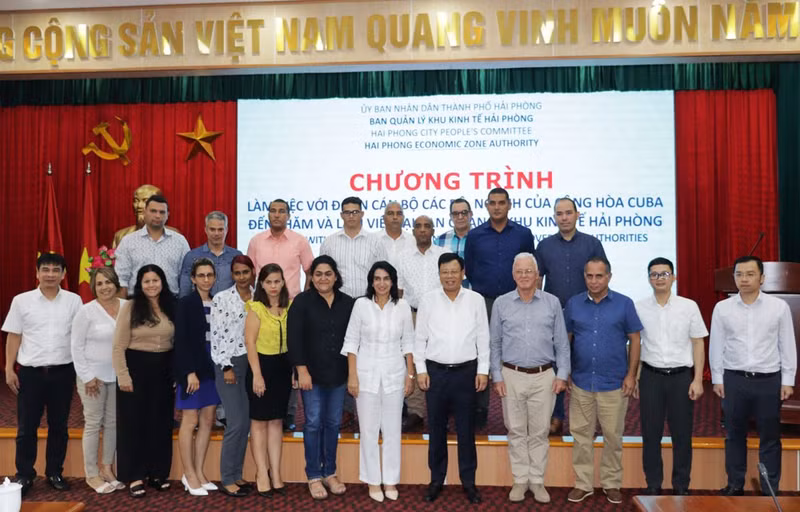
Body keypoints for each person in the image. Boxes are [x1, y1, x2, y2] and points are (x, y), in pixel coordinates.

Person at [710, 255, 797, 496]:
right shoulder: (723, 308)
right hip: (734, 379)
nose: (744, 279)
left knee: (770, 437)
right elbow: (717, 344)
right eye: (739, 274)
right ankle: (735, 484)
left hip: (769, 380)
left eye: (750, 274)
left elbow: (787, 345)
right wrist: (717, 378)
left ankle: (769, 487)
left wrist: (788, 380)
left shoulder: (778, 307)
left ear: (762, 278)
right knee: (734, 435)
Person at [490, 253, 570, 504]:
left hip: (544, 376)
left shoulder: (552, 303)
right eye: (520, 271)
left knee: (539, 432)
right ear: (513, 275)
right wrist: (497, 376)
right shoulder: (501, 304)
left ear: (538, 275)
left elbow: (561, 343)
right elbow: (495, 344)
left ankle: (537, 481)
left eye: (529, 271)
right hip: (511, 375)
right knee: (515, 431)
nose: (524, 276)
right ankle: (519, 480)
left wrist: (562, 374)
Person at [3, 253, 82, 496]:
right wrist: (8, 368)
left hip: (63, 372)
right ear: (36, 273)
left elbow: (79, 338)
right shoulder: (21, 301)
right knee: (27, 426)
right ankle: (24, 474)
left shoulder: (74, 301)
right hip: (31, 373)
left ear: (63, 274)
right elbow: (14, 335)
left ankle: (54, 472)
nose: (50, 274)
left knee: (59, 425)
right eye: (45, 269)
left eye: (55, 270)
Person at [565, 256, 642, 505]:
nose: (594, 280)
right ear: (584, 277)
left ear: (609, 276)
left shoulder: (624, 303)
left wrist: (631, 375)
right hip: (581, 382)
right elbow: (565, 340)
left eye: (600, 276)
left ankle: (611, 483)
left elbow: (635, 339)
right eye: (590, 276)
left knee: (613, 436)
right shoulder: (574, 304)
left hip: (614, 383)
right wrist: (564, 371)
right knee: (581, 436)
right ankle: (583, 483)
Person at [415, 253, 490, 505]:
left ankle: (469, 482)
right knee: (436, 429)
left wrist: (483, 370)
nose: (449, 276)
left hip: (466, 374)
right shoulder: (428, 301)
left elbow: (483, 338)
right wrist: (421, 370)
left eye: (453, 271)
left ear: (462, 273)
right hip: (435, 374)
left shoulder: (476, 300)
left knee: (466, 431)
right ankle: (436, 480)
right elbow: (420, 338)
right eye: (444, 272)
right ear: (439, 274)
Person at [342, 261, 415, 502]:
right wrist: (352, 376)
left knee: (393, 430)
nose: (381, 283)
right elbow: (352, 342)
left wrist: (410, 375)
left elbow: (408, 344)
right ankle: (373, 481)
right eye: (377, 278)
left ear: (393, 281)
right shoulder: (361, 305)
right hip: (365, 375)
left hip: (395, 373)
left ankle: (391, 480)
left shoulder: (402, 306)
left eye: (386, 278)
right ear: (371, 282)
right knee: (369, 430)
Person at [635, 257, 707, 495]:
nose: (659, 279)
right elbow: (635, 344)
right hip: (651, 377)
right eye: (654, 274)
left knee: (682, 434)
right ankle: (653, 484)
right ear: (648, 279)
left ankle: (680, 486)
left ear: (673, 277)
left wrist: (697, 379)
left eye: (664, 274)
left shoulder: (689, 306)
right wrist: (635, 377)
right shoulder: (639, 307)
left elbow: (698, 342)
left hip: (680, 378)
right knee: (651, 433)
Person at [464, 187, 535, 428]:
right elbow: (471, 269)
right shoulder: (474, 236)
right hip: (483, 301)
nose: (497, 207)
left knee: (515, 350)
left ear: (509, 205)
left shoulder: (523, 234)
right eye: (492, 203)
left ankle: (519, 406)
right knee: (482, 351)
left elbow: (530, 268)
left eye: (501, 202)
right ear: (486, 205)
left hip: (515, 300)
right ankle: (480, 407)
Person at [536, 197, 606, 435]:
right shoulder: (544, 246)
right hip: (553, 316)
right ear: (554, 217)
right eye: (559, 213)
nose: (564, 217)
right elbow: (537, 281)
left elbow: (601, 278)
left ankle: (586, 418)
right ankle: (556, 416)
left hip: (587, 315)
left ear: (577, 215)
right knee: (555, 367)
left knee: (585, 365)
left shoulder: (592, 244)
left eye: (568, 213)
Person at [288, 255, 355, 500]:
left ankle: (330, 472)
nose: (323, 278)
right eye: (318, 274)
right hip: (311, 376)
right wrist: (301, 370)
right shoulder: (302, 302)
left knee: (333, 423)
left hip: (338, 374)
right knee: (314, 422)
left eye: (328, 274)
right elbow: (294, 339)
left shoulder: (348, 303)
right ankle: (314, 475)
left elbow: (354, 341)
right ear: (312, 277)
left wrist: (352, 373)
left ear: (336, 276)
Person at [112, 264, 176, 498]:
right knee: (133, 425)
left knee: (160, 423)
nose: (151, 285)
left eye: (155, 280)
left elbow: (177, 343)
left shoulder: (171, 305)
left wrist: (176, 373)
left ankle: (157, 473)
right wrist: (123, 375)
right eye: (146, 281)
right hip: (135, 370)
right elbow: (118, 346)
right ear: (140, 284)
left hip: (163, 371)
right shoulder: (130, 306)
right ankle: (135, 475)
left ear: (162, 282)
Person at [71, 266, 127, 494]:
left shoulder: (127, 307)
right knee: (94, 424)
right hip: (92, 378)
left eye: (108, 282)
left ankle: (107, 468)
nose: (105, 287)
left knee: (113, 424)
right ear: (94, 287)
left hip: (118, 376)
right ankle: (91, 474)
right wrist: (87, 376)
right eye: (100, 283)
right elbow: (76, 346)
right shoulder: (86, 312)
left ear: (116, 284)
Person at [244, 263, 294, 498]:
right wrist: (257, 375)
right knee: (259, 422)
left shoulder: (290, 307)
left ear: (283, 282)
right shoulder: (255, 308)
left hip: (283, 368)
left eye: (277, 281)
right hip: (261, 368)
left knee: (276, 422)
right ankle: (261, 474)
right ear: (261, 284)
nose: (273, 286)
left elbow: (294, 343)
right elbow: (250, 343)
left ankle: (276, 472)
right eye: (269, 282)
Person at [174, 258, 222, 496]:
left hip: (212, 367)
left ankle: (200, 471)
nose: (205, 279)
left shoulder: (218, 302)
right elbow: (181, 341)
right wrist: (188, 372)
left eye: (209, 275)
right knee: (190, 420)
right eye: (201, 275)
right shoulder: (185, 304)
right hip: (192, 367)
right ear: (193, 279)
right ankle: (188, 473)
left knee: (207, 420)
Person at [210, 255, 256, 497]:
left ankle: (237, 474)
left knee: (245, 423)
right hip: (229, 364)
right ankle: (227, 478)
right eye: (237, 273)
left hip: (253, 364)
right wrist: (226, 366)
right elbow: (216, 336)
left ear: (252, 272)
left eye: (245, 272)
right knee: (236, 422)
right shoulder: (221, 299)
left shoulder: (260, 296)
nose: (241, 277)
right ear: (232, 275)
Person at [398, 215, 445, 432]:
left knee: (439, 361)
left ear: (433, 231)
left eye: (427, 226)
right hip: (412, 314)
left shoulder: (444, 256)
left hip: (440, 315)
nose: (423, 230)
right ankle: (416, 411)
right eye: (419, 226)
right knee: (415, 362)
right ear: (413, 231)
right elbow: (398, 292)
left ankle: (439, 409)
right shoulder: (402, 257)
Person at [115, 194, 190, 297]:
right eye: (153, 211)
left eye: (162, 212)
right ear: (145, 212)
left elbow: (187, 276)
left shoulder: (180, 241)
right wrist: (123, 308)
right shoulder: (128, 241)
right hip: (137, 302)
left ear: (168, 214)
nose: (158, 216)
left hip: (171, 303)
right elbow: (121, 279)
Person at [320, 196, 387, 299]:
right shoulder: (329, 242)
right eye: (347, 213)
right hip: (337, 301)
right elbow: (322, 273)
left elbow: (384, 273)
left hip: (368, 300)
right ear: (341, 215)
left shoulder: (375, 242)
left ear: (362, 214)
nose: (351, 216)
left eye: (355, 212)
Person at [246, 198, 314, 299]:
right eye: (273, 211)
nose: (276, 215)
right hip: (262, 304)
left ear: (288, 216)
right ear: (268, 215)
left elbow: (310, 273)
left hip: (291, 303)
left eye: (281, 211)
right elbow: (250, 275)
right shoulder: (256, 241)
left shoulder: (300, 241)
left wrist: (304, 300)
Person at [179, 211, 242, 297]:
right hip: (199, 307)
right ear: (206, 230)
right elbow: (185, 290)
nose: (216, 233)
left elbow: (242, 286)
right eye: (212, 229)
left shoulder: (236, 256)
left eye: (220, 229)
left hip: (229, 308)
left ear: (226, 230)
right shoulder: (192, 256)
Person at [112, 184, 181, 248]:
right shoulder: (120, 236)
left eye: (145, 201)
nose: (139, 206)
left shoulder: (173, 235)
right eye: (136, 200)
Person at [435, 198, 473, 289]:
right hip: (446, 296)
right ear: (451, 216)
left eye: (464, 212)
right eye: (455, 214)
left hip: (474, 293)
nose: (460, 217)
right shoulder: (440, 240)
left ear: (470, 214)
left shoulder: (481, 238)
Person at [372, 202, 414, 272]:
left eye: (399, 214)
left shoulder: (413, 240)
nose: (395, 217)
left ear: (403, 218)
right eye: (390, 213)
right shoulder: (373, 240)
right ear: (383, 218)